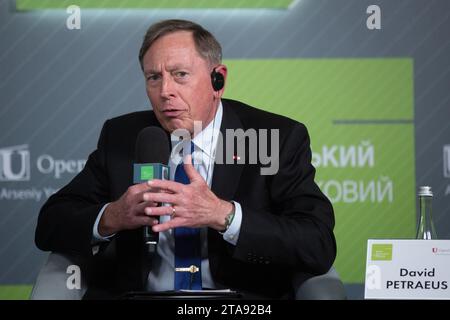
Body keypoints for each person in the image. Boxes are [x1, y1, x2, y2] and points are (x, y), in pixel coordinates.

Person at [35, 19, 336, 299]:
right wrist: (112, 216)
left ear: (218, 79)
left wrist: (224, 215)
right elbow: (51, 223)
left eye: (180, 75)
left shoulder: (274, 137)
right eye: (154, 77)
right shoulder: (123, 136)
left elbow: (316, 242)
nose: (165, 91)